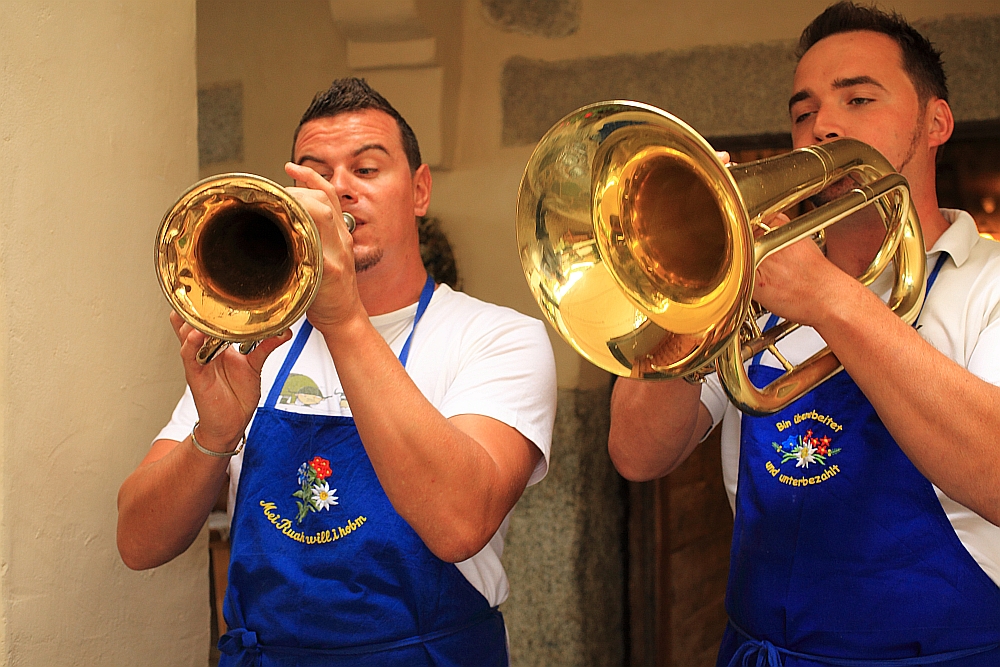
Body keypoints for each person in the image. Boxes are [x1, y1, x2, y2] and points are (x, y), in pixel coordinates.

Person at [608, 3, 1000, 665]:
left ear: (937, 121)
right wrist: (696, 285)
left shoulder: (988, 281)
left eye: (860, 97)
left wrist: (826, 296)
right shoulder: (754, 282)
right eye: (803, 110)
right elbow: (637, 453)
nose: (825, 125)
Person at [117, 77, 557, 666]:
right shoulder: (254, 344)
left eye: (367, 170)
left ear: (420, 191)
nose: (338, 191)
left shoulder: (497, 337)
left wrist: (344, 318)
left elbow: (460, 522)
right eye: (314, 173)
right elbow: (137, 542)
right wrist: (214, 437)